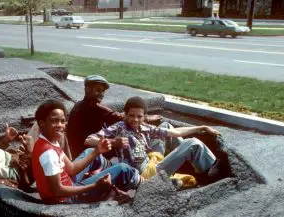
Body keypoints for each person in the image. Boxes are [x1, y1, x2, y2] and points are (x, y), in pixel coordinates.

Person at [84, 96, 224, 186]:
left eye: (139, 117)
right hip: (145, 174)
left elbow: (175, 132)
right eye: (131, 116)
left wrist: (202, 127)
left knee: (166, 127)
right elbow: (88, 140)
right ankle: (207, 174)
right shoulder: (119, 128)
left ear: (144, 116)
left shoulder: (144, 127)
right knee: (192, 143)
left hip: (151, 161)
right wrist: (114, 142)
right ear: (125, 115)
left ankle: (197, 163)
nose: (135, 120)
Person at [31, 99, 141, 205]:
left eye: (62, 121)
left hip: (67, 186)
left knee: (90, 151)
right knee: (122, 168)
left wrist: (97, 151)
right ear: (42, 123)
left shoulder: (49, 140)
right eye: (54, 121)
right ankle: (142, 184)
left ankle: (109, 177)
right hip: (66, 200)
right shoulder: (48, 153)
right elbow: (58, 191)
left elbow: (72, 169)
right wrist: (95, 186)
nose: (60, 125)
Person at [66, 75, 161, 157]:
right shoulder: (94, 107)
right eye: (98, 90)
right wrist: (145, 118)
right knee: (130, 143)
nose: (101, 94)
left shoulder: (80, 104)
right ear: (87, 90)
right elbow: (120, 117)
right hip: (87, 151)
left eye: (103, 91)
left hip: (78, 149)